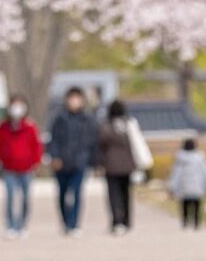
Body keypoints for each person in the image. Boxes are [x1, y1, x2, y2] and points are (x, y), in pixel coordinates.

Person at [0, 93, 44, 238]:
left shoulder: (30, 126)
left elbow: (36, 146)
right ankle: (10, 226)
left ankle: (22, 225)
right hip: (9, 168)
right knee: (10, 197)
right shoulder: (3, 127)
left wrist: (37, 162)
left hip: (27, 168)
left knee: (26, 198)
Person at [47, 85, 99, 234]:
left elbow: (93, 143)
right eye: (72, 98)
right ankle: (65, 221)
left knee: (76, 193)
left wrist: (95, 163)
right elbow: (53, 140)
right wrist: (55, 157)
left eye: (77, 98)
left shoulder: (88, 120)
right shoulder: (60, 118)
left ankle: (74, 224)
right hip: (62, 162)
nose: (74, 101)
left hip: (79, 162)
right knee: (63, 194)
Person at [94, 98, 150, 235]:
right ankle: (127, 220)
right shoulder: (129, 125)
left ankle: (117, 221)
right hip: (127, 166)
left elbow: (100, 146)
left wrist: (99, 164)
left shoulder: (106, 126)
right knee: (126, 194)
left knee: (113, 195)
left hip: (111, 166)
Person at [168, 137, 206, 229]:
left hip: (184, 188)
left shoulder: (180, 160)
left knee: (185, 205)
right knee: (197, 205)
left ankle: (185, 221)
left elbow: (175, 175)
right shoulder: (201, 159)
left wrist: (172, 188)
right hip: (197, 188)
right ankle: (196, 223)